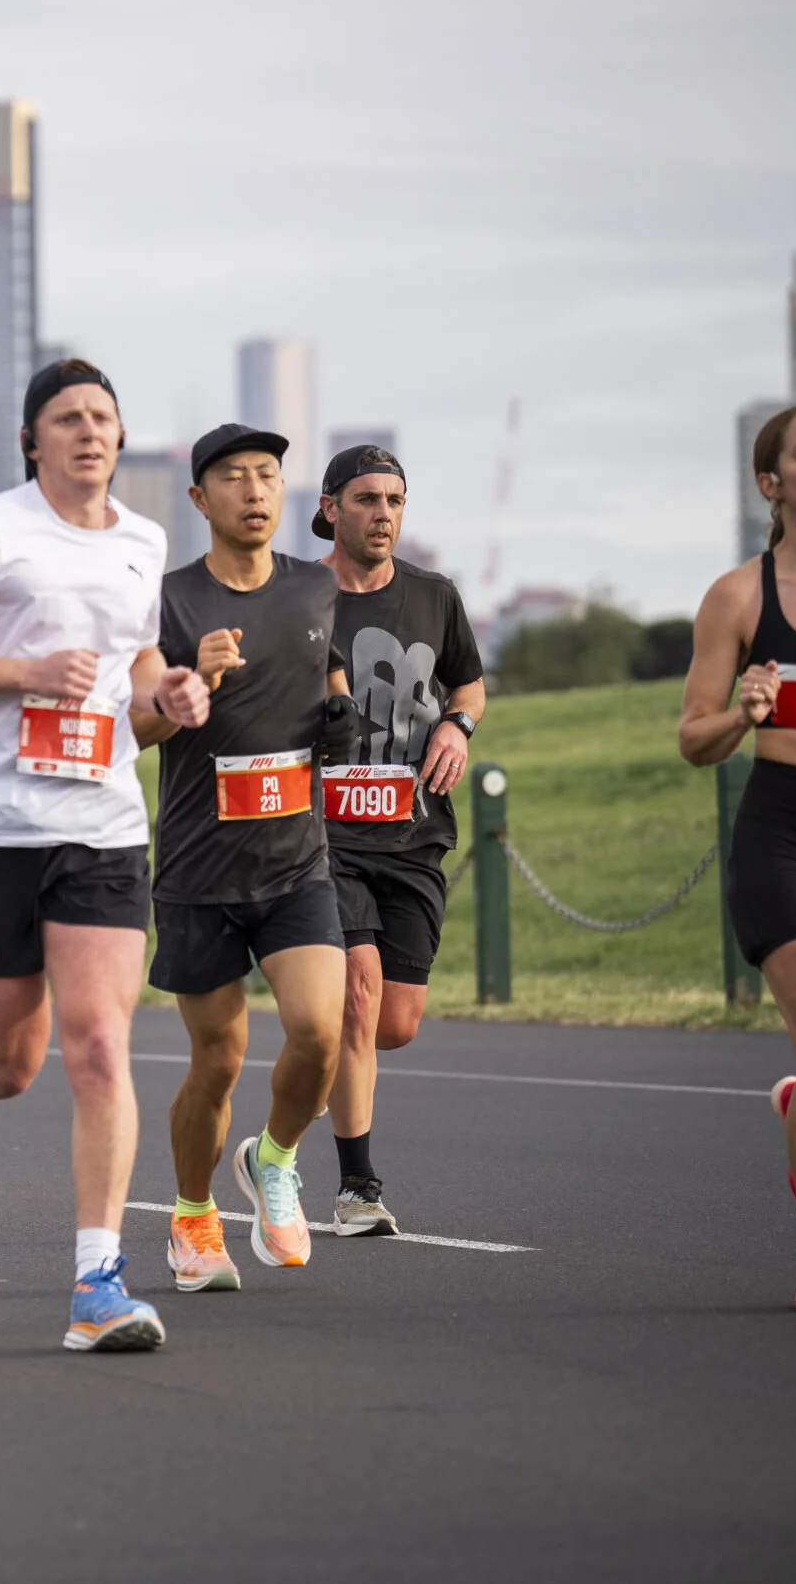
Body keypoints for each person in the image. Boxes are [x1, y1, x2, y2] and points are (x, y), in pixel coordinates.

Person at [0, 358, 207, 1352]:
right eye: (67, 418)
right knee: (13, 1064)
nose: (89, 432)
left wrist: (171, 697)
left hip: (101, 821)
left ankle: (96, 1284)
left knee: (99, 1044)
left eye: (103, 417)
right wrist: (22, 672)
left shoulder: (146, 542)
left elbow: (137, 667)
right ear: (33, 440)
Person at [132, 421, 355, 1292]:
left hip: (296, 857)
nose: (256, 490)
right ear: (200, 499)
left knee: (319, 1032)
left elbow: (324, 663)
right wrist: (195, 679)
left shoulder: (313, 586)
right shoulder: (169, 601)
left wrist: (337, 707)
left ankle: (275, 1156)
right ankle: (192, 1217)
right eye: (235, 477)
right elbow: (141, 725)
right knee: (219, 1058)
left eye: (268, 474)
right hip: (197, 868)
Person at [678, 402, 796, 1312]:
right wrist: (743, 711)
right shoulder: (740, 597)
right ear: (769, 483)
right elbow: (692, 739)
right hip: (787, 831)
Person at [309, 444, 485, 1236]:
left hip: (414, 833)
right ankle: (356, 1189)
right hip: (322, 835)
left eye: (395, 500)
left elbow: (469, 681)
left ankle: (295, 1096)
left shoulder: (435, 596)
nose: (384, 513)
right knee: (357, 994)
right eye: (368, 498)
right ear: (331, 506)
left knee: (393, 1021)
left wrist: (459, 723)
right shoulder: (297, 597)